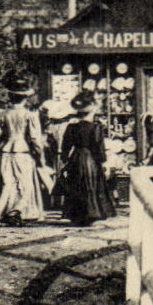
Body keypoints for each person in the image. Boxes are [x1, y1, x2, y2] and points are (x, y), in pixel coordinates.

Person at [0, 72, 47, 226]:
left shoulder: (1, 115)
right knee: (24, 183)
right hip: (22, 151)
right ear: (25, 98)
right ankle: (16, 211)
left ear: (10, 96)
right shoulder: (30, 115)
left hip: (6, 152)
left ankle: (2, 213)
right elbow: (35, 138)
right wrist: (40, 155)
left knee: (8, 183)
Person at [60, 91, 116, 225]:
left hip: (76, 158)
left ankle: (76, 215)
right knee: (91, 185)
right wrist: (104, 163)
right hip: (90, 159)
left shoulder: (71, 127)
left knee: (76, 185)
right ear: (92, 111)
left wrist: (65, 162)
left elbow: (65, 147)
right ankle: (92, 213)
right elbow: (99, 147)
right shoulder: (96, 127)